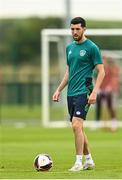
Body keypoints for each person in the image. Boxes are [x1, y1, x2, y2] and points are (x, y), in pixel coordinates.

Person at [52, 17, 105, 172]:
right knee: (78, 128)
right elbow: (69, 72)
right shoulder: (69, 48)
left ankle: (78, 162)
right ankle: (89, 160)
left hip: (84, 91)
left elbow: (102, 71)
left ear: (84, 29)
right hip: (71, 93)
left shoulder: (92, 47)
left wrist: (94, 92)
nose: (74, 32)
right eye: (72, 29)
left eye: (77, 29)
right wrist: (58, 90)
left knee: (76, 125)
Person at [94, 56, 119, 131]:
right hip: (100, 90)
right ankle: (97, 123)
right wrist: (97, 88)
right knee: (98, 105)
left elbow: (113, 79)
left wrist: (110, 87)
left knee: (110, 106)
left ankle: (113, 122)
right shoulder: (97, 70)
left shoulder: (110, 69)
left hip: (109, 90)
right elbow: (96, 79)